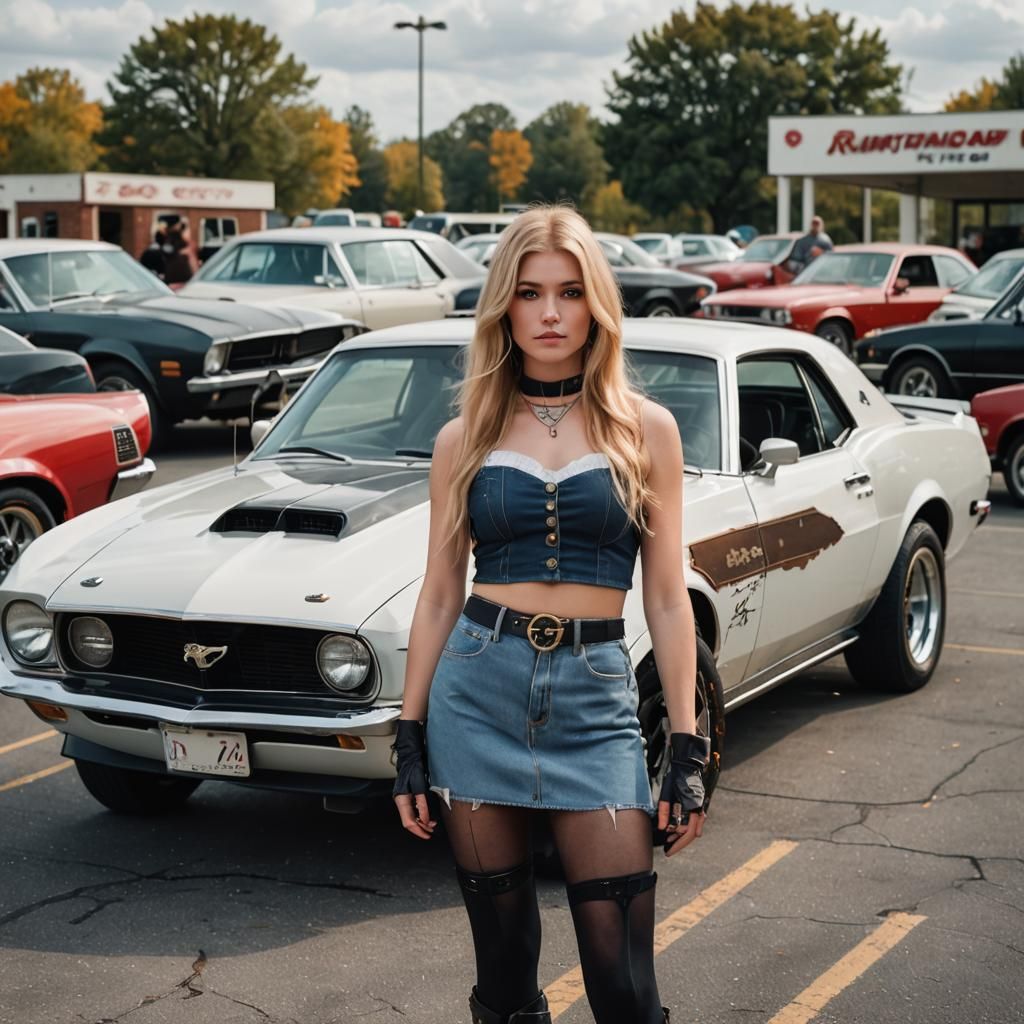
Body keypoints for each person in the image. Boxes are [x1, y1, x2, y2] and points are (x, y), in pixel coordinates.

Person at [392, 206, 710, 1024]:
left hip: (596, 699)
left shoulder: (649, 431)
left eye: (570, 293)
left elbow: (668, 596)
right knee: (502, 970)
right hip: (478, 691)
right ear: (504, 306)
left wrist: (685, 740)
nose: (550, 314)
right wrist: (409, 733)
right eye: (529, 294)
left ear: (595, 304)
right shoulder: (464, 438)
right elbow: (438, 592)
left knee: (623, 982)